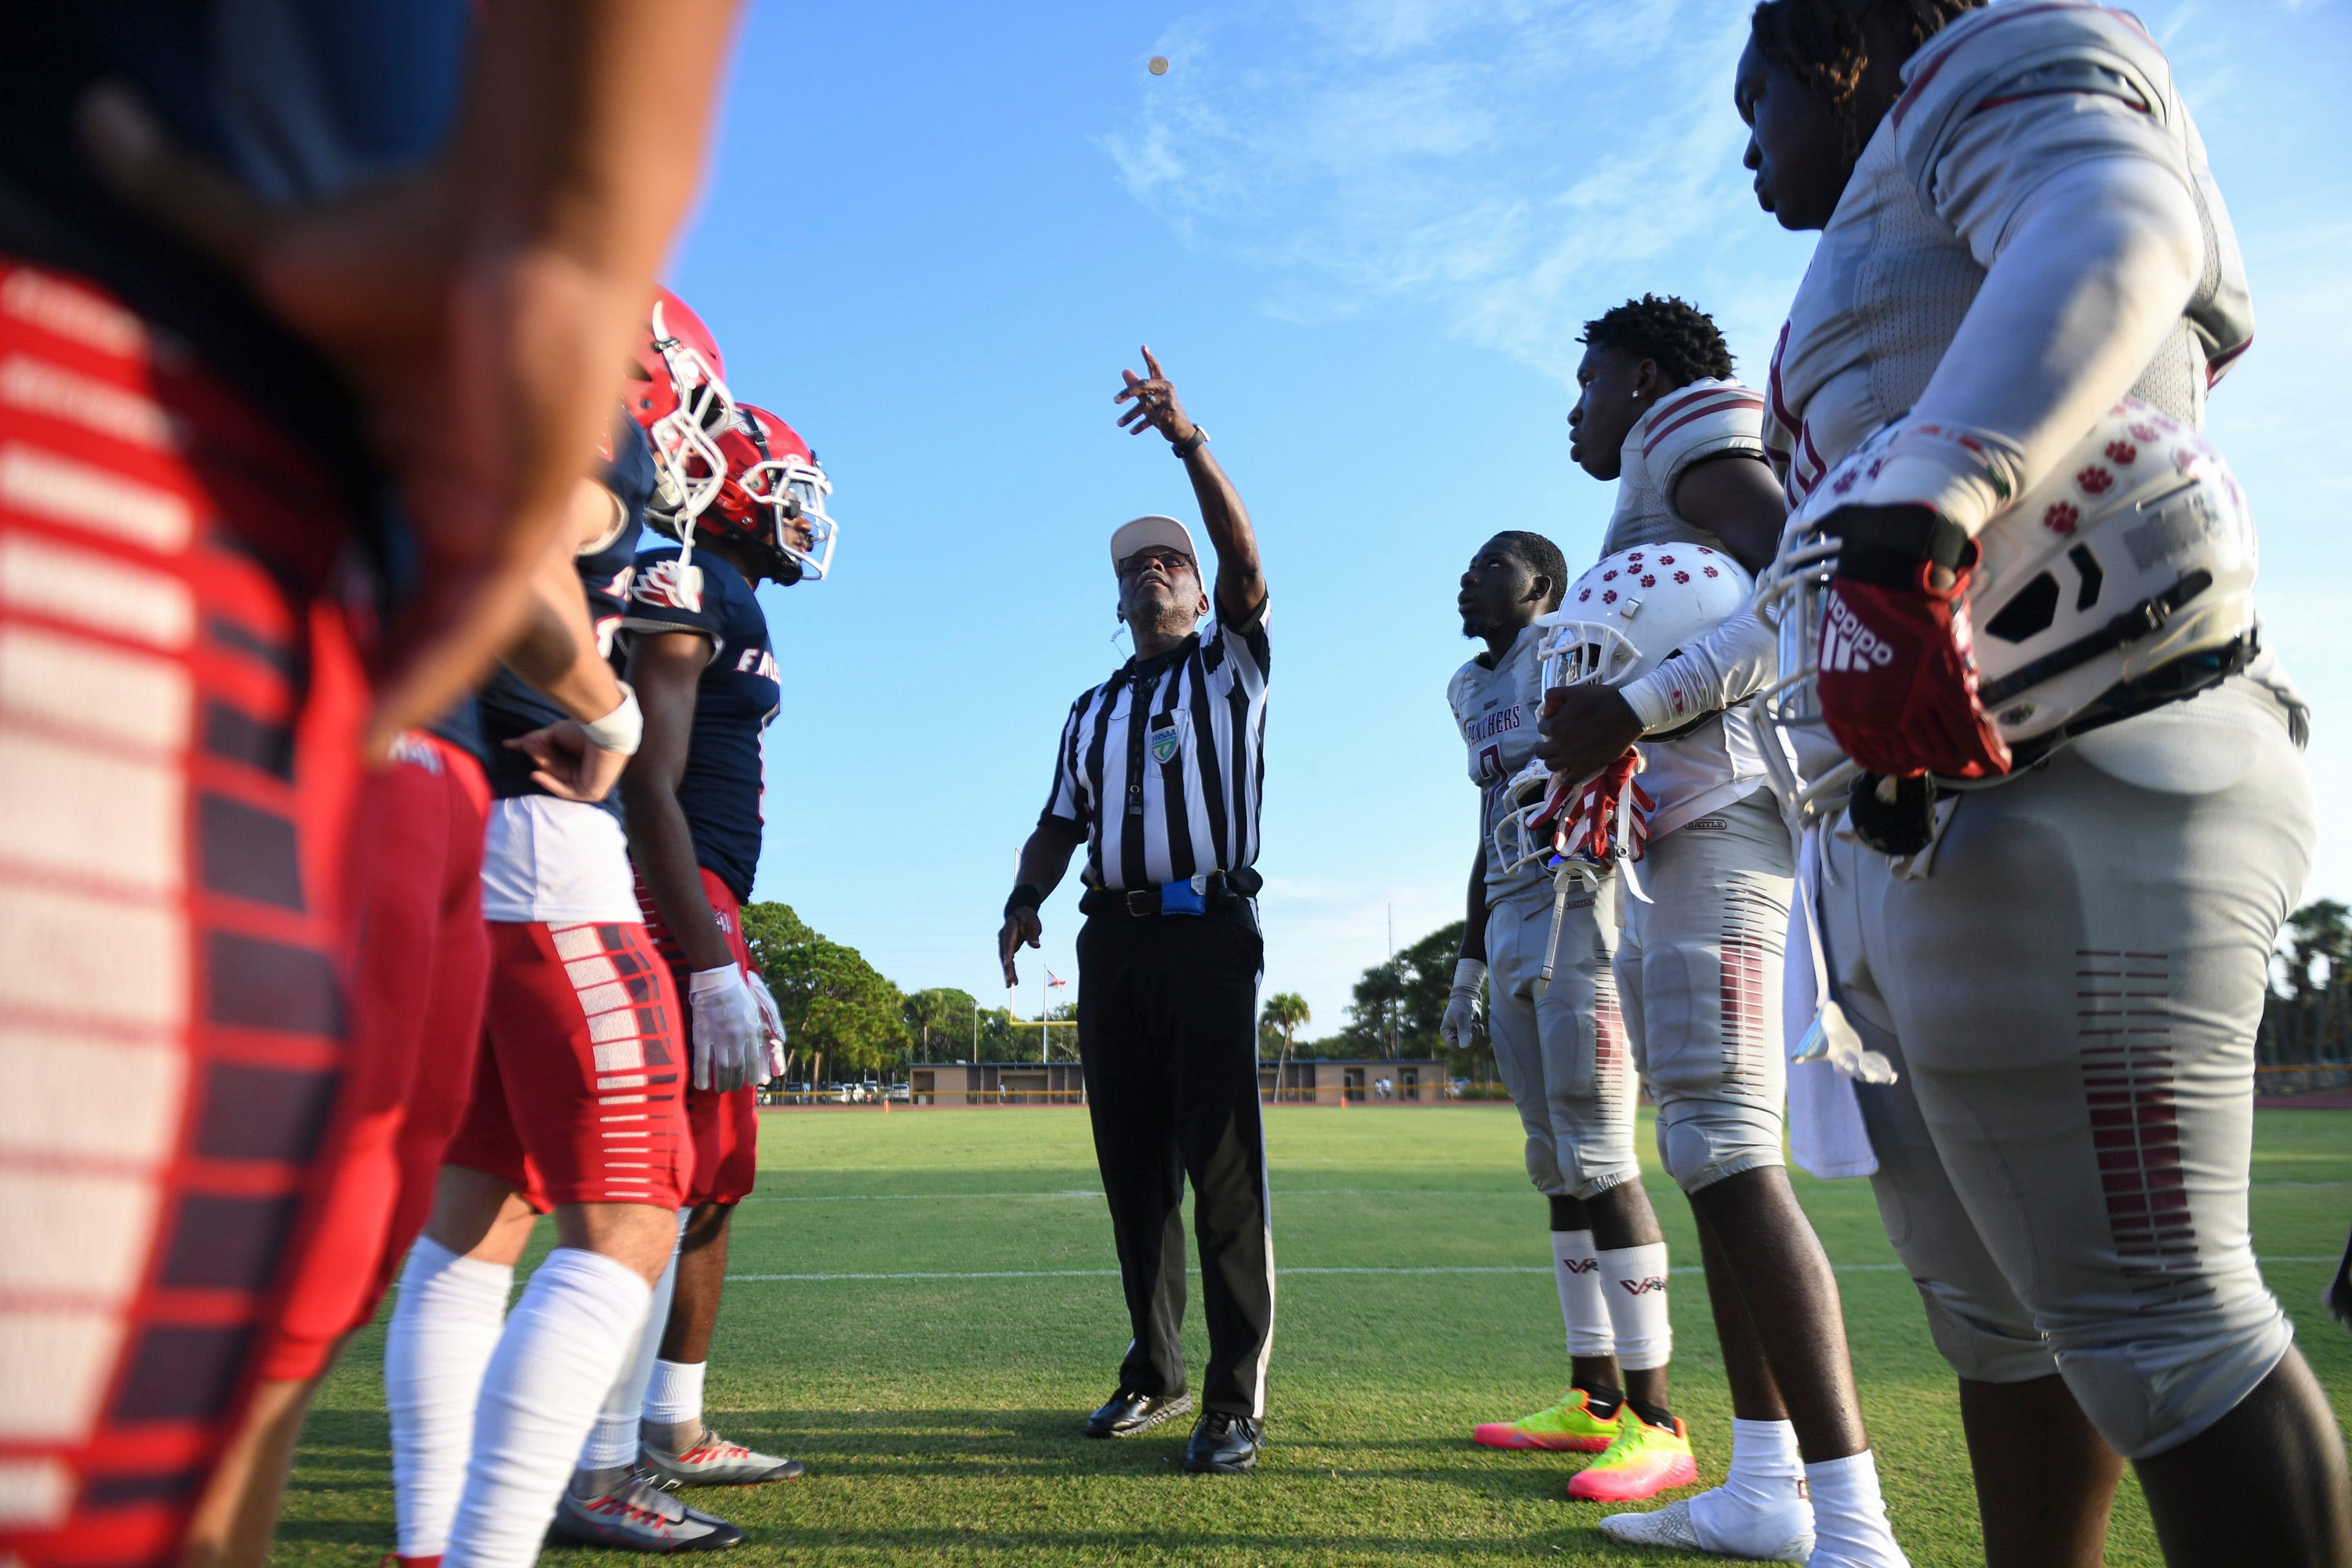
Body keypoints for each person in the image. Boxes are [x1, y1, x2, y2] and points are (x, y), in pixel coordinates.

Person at [1564, 2, 2352, 1563]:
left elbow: (2118, 217)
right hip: (1911, 815)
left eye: (1760, 95)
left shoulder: (1997, 60)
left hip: (2080, 742)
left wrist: (1933, 497)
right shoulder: (1879, 211)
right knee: (1999, 1327)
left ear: (1839, 42)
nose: (1745, 143)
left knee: (2164, 1317)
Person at [0, 5, 740, 1566]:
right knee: (605, 1203)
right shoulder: (606, 462)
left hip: (292, 602)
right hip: (129, 396)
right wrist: (576, 231)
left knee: (344, 1273)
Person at [381, 298, 753, 1566]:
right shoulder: (585, 439)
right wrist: (609, 711)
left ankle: (431, 1548)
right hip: (551, 867)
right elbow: (529, 549)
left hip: (465, 852)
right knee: (628, 1228)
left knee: (469, 1232)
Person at [1538, 295, 1885, 1553]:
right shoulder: (1654, 475)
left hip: (1729, 824)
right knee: (1710, 1157)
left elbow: (1804, 575)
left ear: (1640, 378)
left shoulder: (1690, 430)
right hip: (1686, 834)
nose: (1573, 409)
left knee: (1734, 1155)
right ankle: (1765, 1484)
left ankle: (1852, 1524)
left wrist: (1643, 699)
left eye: (1586, 383)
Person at [997, 348, 1272, 1474]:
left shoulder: (1231, 666)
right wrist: (1023, 900)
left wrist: (1187, 440)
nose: (1154, 574)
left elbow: (1251, 563)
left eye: (1171, 562)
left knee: (1219, 1169)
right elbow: (1061, 818)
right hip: (1110, 940)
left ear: (1199, 591)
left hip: (1207, 931)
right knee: (1132, 1170)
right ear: (1118, 601)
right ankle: (1154, 1372)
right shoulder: (1090, 708)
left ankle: (1233, 1394)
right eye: (1136, 569)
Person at [622, 403, 830, 1489]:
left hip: (699, 896)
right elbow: (646, 781)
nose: (801, 513)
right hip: (673, 893)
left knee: (701, 1179)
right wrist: (708, 957)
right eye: (789, 485)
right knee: (661, 1182)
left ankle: (661, 1426)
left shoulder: (722, 592)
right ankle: (625, 1445)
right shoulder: (692, 581)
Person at [1443, 530, 1659, 1475]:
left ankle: (1656, 1420)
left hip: (1582, 902)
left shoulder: (1578, 649)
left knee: (1604, 1155)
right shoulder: (1467, 688)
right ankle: (1593, 1392)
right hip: (1510, 911)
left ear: (1545, 585)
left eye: (1493, 566)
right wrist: (1467, 960)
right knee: (1554, 1162)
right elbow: (1488, 825)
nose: (1470, 578)